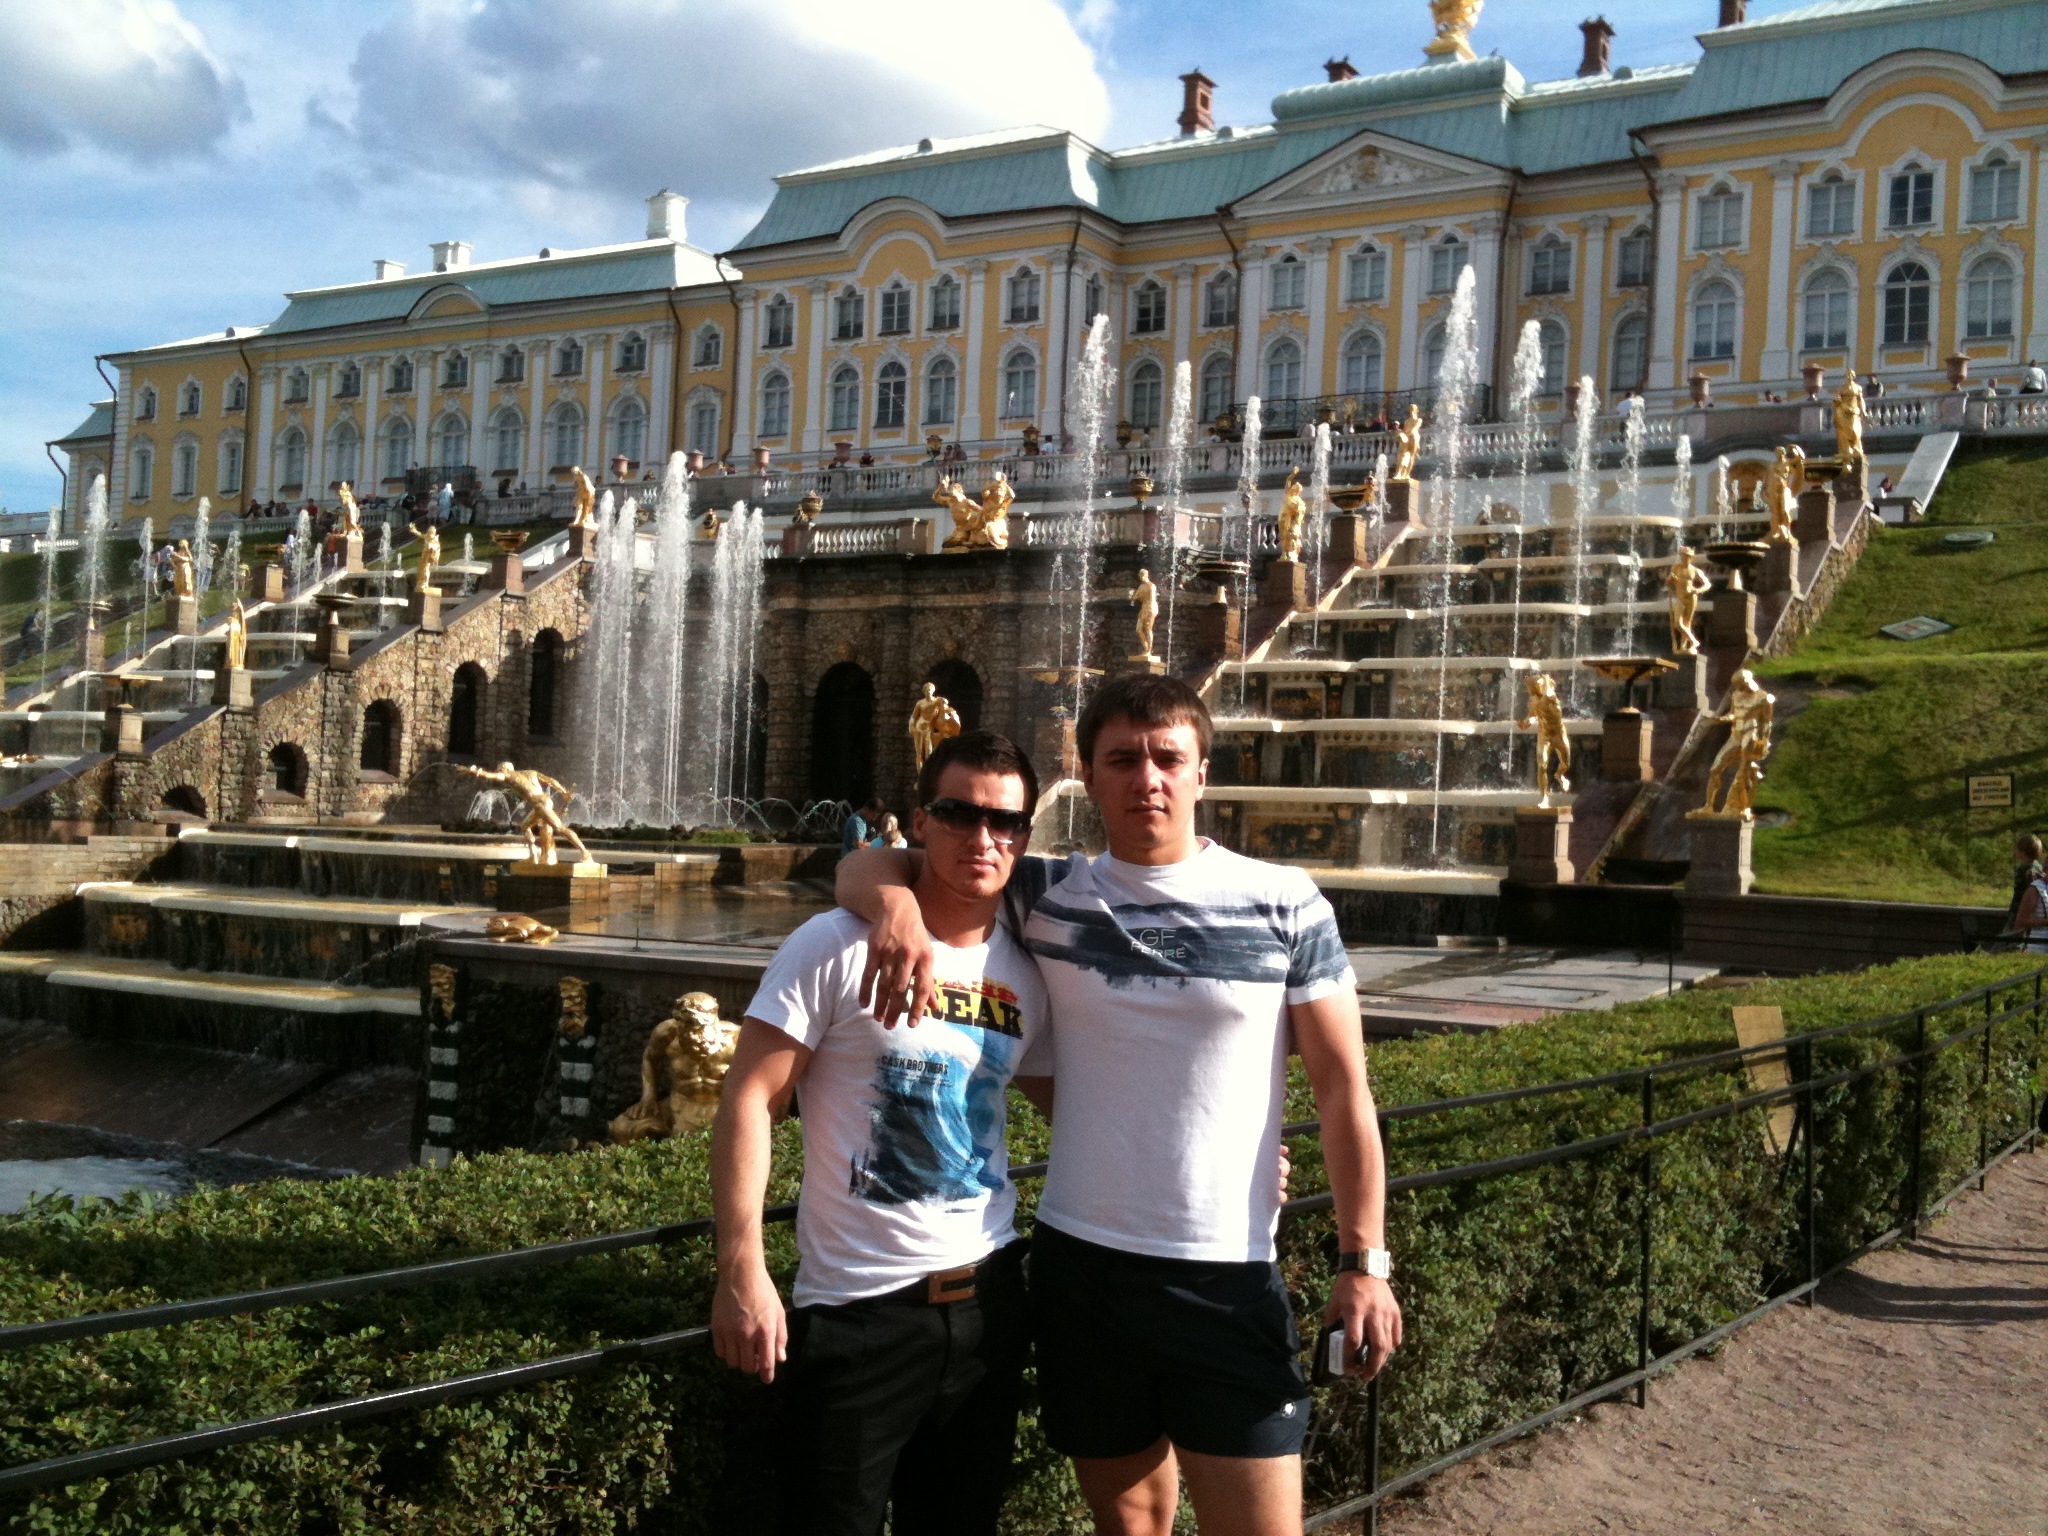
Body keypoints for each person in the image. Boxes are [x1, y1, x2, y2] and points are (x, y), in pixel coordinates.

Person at [839, 673, 1401, 1536]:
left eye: (1168, 758)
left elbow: (1342, 1089)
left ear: (1202, 772)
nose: (1148, 779)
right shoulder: (1042, 893)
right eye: (1124, 760)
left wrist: (1364, 1262)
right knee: (1129, 1525)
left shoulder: (1285, 901)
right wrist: (895, 911)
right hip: (1082, 1271)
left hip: (1226, 1274)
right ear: (1089, 777)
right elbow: (865, 863)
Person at [713, 731, 1052, 1535]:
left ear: (1024, 838)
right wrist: (741, 1267)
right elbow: (751, 1100)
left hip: (990, 1305)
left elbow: (1080, 1109)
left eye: (1005, 822)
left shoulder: (1029, 972)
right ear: (920, 821)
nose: (983, 837)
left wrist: (1230, 1164)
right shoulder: (831, 944)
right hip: (859, 1312)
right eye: (959, 813)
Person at [2008, 834, 2045, 931]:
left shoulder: (2026, 871)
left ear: (2023, 852)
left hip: (2021, 913)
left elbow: (2026, 894)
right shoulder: (2040, 868)